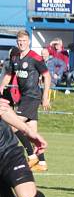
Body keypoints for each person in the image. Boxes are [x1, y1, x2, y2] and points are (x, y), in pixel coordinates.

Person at [0, 30, 51, 172]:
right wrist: (2, 86)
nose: (21, 43)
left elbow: (47, 76)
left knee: (13, 125)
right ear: (17, 42)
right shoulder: (15, 57)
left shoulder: (35, 57)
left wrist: (45, 96)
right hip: (24, 97)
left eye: (24, 40)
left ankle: (31, 155)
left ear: (29, 41)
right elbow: (9, 74)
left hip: (32, 97)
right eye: (19, 41)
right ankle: (41, 163)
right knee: (31, 131)